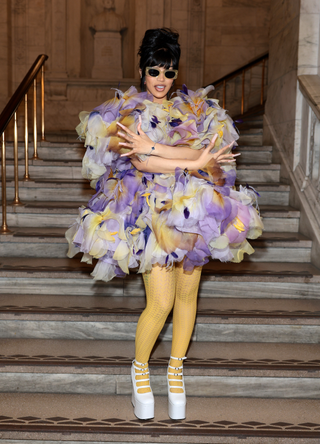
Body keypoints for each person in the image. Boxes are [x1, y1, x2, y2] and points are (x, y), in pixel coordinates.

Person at [66, 28, 263, 421]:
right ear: (142, 71)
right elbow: (142, 164)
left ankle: (175, 371)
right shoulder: (124, 111)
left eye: (168, 73)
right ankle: (140, 369)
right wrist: (191, 162)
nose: (161, 80)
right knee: (161, 302)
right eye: (154, 70)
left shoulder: (197, 108)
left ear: (176, 74)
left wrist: (162, 149)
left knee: (188, 296)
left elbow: (205, 149)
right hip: (148, 214)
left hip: (197, 209)